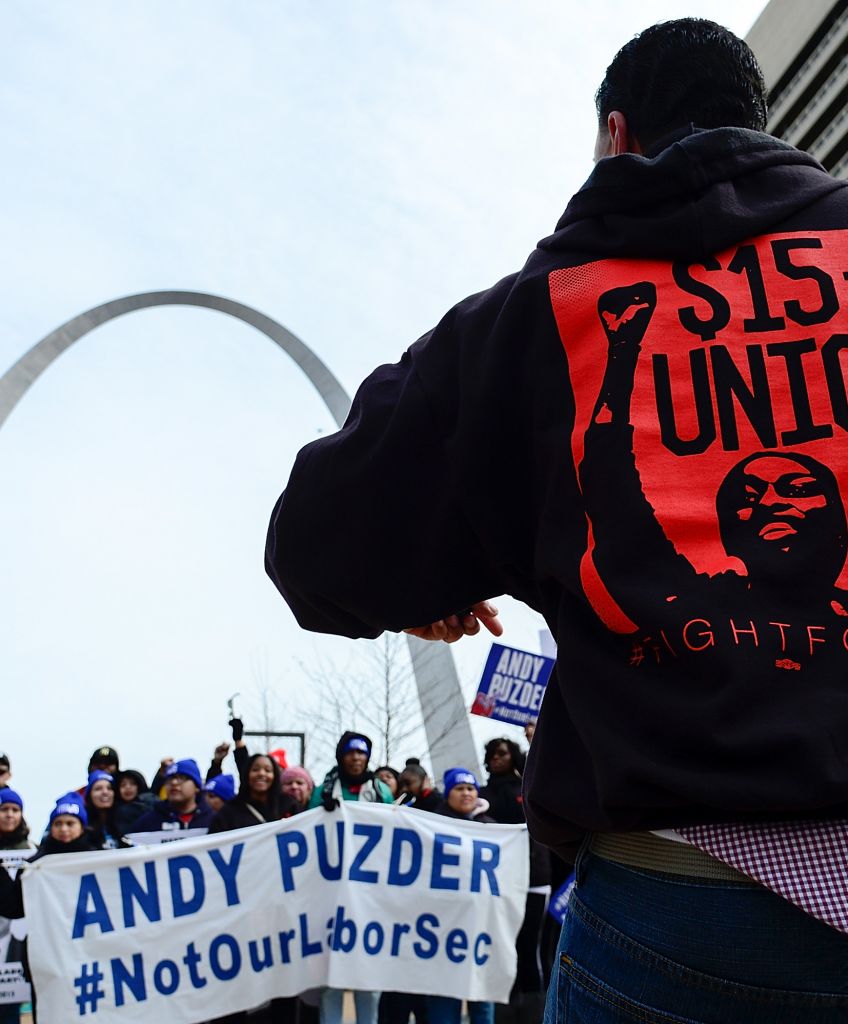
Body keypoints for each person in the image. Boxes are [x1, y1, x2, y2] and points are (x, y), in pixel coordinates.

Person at [265, 16, 848, 1019]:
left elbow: (318, 540)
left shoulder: (536, 314)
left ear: (614, 135)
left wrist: (440, 569)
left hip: (680, 897)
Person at [479, 741, 549, 1024]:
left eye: (503, 754)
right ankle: (506, 1008)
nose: (497, 759)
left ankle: (534, 1013)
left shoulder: (529, 787)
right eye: (493, 755)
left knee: (530, 947)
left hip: (534, 878)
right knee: (503, 945)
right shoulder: (482, 794)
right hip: (498, 881)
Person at [426, 770, 494, 1024]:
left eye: (470, 788)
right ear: (448, 794)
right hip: (443, 926)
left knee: (482, 1002)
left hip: (480, 925)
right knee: (444, 1000)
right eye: (459, 788)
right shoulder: (432, 826)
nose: (466, 793)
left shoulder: (493, 827)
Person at [209, 754, 296, 832]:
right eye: (255, 769)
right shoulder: (229, 813)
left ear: (275, 776)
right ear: (246, 775)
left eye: (268, 770)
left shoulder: (289, 805)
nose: (261, 773)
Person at [308, 733, 394, 809]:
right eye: (349, 752)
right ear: (340, 757)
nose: (355, 757)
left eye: (360, 752)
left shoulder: (381, 791)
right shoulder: (323, 792)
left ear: (367, 757)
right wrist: (321, 812)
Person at [131, 759, 215, 833]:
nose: (174, 783)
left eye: (182, 778)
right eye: (169, 779)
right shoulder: (147, 823)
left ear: (197, 787)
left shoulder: (214, 820)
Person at [84, 771, 130, 849]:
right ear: (89, 795)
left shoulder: (124, 820)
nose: (105, 792)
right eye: (98, 789)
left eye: (109, 788)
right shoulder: (82, 826)